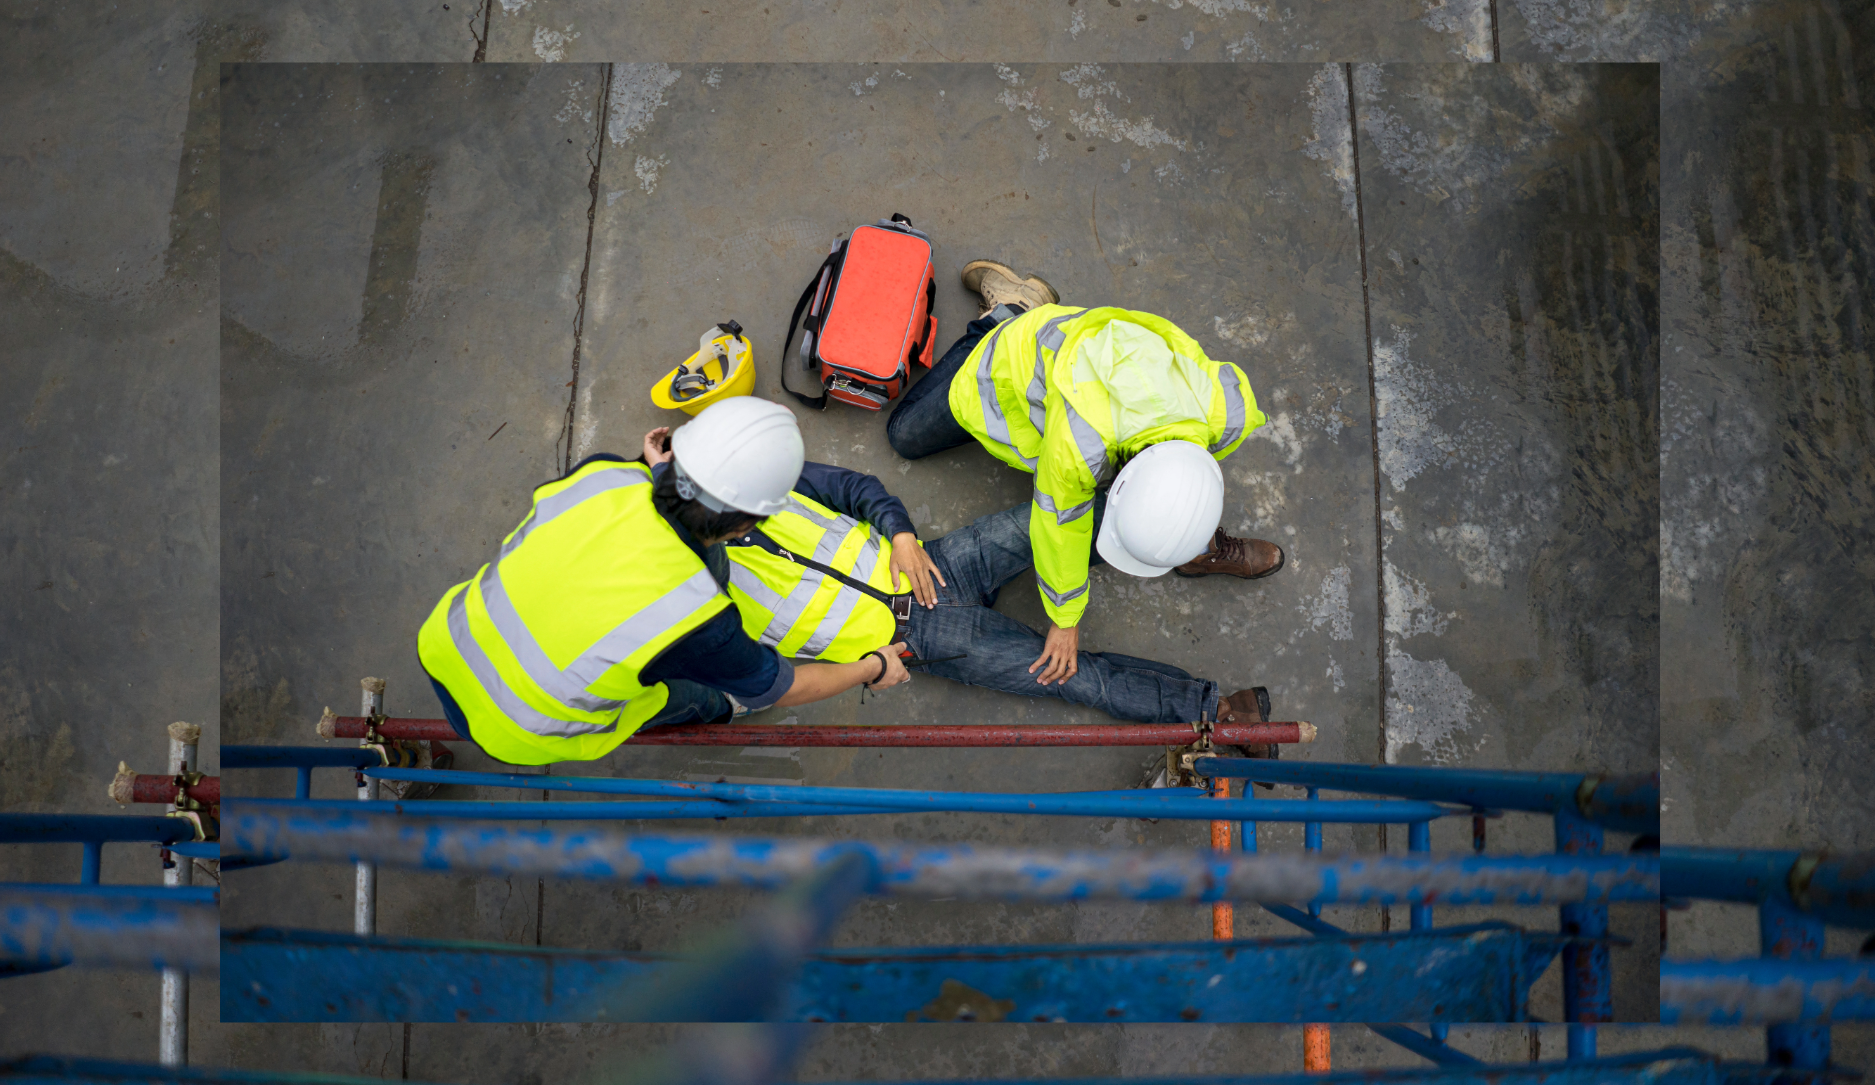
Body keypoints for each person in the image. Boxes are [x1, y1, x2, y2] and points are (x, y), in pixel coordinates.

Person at [416, 397, 911, 766]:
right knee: (689, 691)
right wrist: (873, 667)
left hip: (447, 639)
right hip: (520, 726)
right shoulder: (699, 614)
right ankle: (719, 706)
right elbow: (784, 688)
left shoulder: (603, 473)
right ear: (744, 527)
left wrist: (658, 474)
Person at [886, 260, 1285, 688]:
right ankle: (1010, 310)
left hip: (1087, 371)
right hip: (1010, 363)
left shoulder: (1228, 411)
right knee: (905, 436)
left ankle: (1197, 547)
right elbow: (1059, 528)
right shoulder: (1078, 448)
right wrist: (1065, 619)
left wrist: (1185, 521)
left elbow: (1189, 479)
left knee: (1158, 505)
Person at [720, 454, 1272, 735]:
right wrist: (871, 666)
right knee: (1074, 676)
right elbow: (761, 685)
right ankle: (1218, 713)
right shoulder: (692, 606)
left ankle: (1185, 544)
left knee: (1060, 520)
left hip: (935, 563)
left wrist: (903, 537)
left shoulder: (738, 478)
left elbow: (851, 489)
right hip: (920, 641)